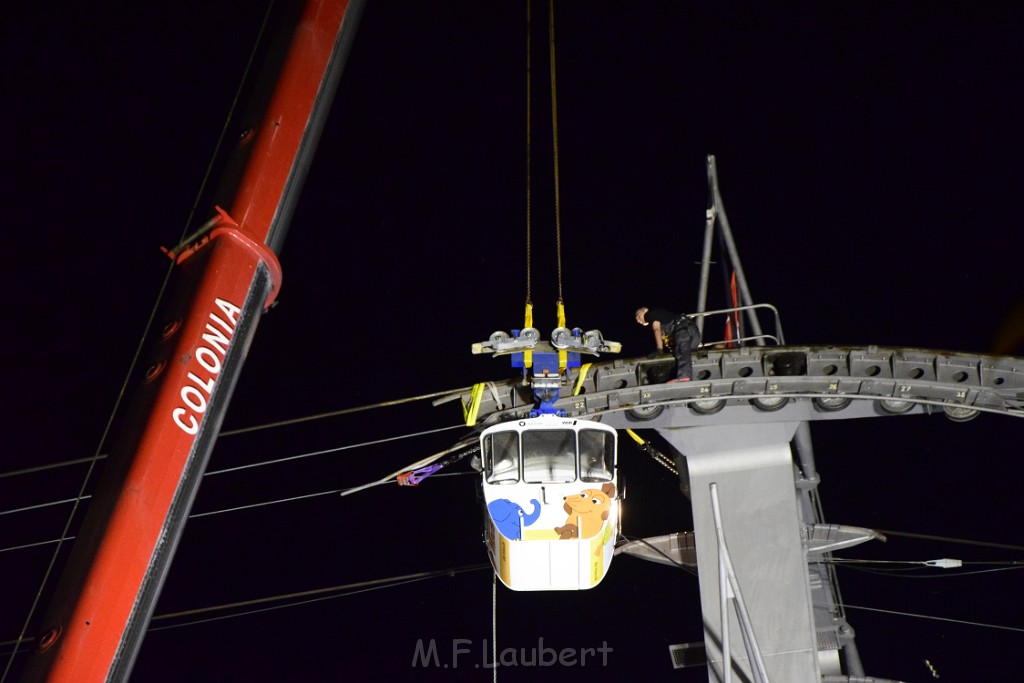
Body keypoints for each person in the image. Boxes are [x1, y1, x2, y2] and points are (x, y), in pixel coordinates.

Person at [635, 306, 701, 382]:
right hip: (692, 331)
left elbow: (656, 330)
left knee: (681, 351)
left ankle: (684, 378)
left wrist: (659, 349)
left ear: (644, 310)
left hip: (683, 329)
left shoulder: (651, 314)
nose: (637, 319)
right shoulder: (663, 317)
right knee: (689, 355)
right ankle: (692, 376)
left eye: (638, 315)